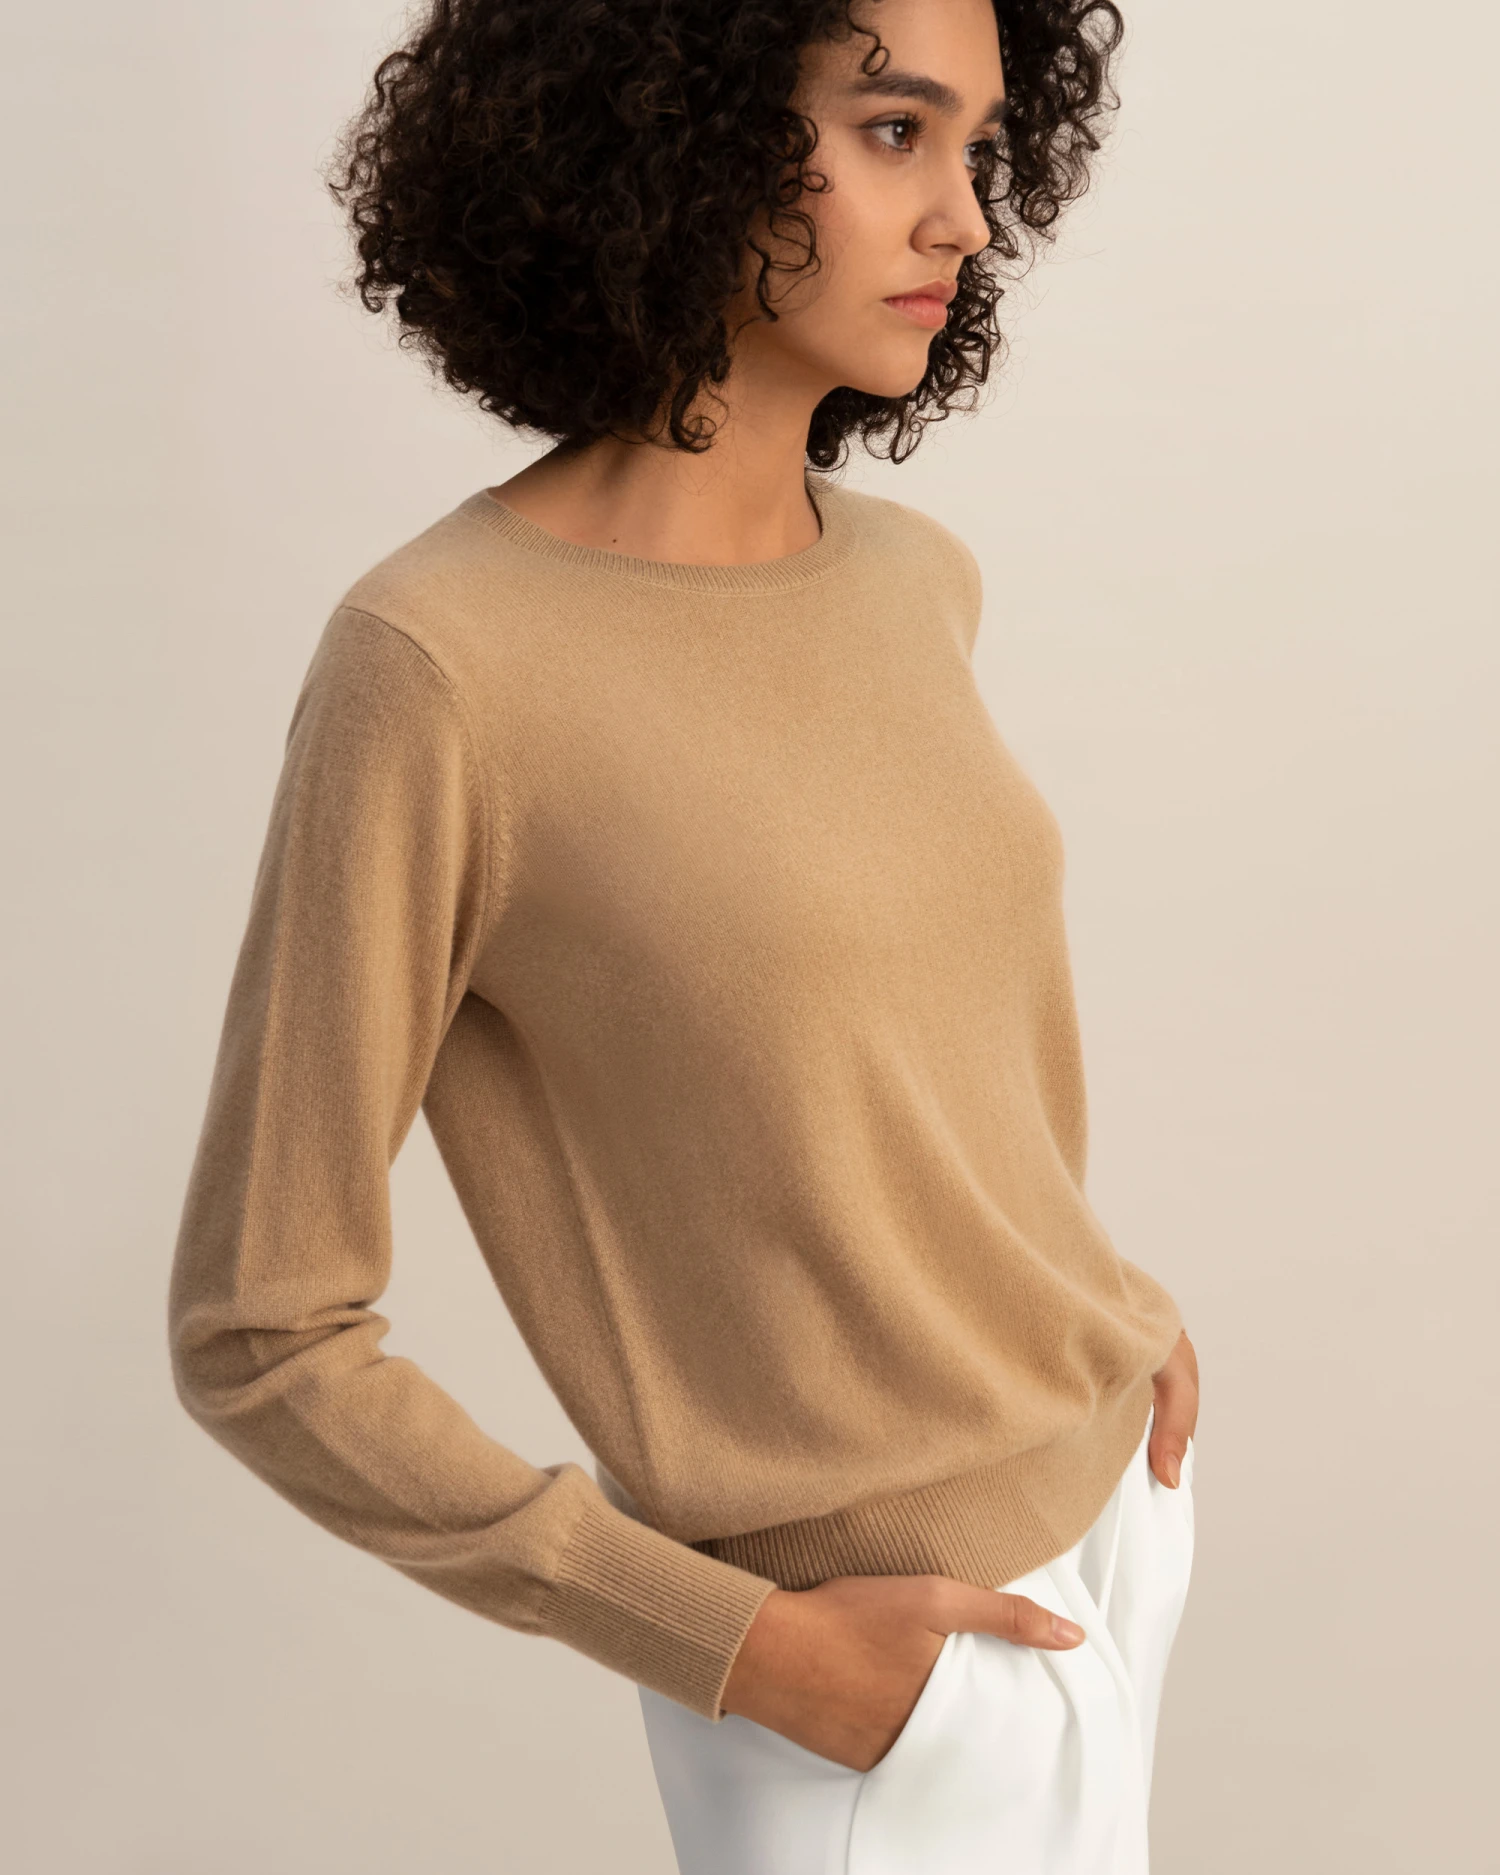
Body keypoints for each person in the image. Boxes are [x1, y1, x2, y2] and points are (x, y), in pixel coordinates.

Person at [166, 0, 1200, 1868]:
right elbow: (261, 1328)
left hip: (1118, 1512)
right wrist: (729, 1641)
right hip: (865, 1662)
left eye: (979, 143)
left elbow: (904, 1059)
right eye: (893, 129)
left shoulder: (913, 580)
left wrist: (1096, 1318)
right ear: (679, 136)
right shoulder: (441, 665)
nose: (966, 216)